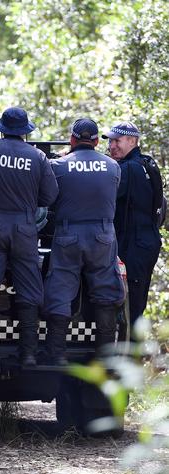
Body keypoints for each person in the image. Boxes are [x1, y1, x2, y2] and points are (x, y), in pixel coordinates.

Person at [0, 107, 59, 367]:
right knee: (29, 287)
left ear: (2, 128)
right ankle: (29, 354)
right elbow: (50, 196)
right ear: (26, 131)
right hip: (24, 226)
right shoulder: (38, 156)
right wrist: (29, 202)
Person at [43, 119, 126, 364]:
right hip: (102, 234)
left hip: (69, 233)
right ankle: (104, 359)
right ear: (97, 141)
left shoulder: (58, 165)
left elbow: (48, 198)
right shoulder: (113, 166)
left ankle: (56, 354)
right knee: (106, 291)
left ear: (72, 140)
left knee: (61, 288)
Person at [103, 122, 162, 327]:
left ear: (132, 141)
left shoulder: (127, 169)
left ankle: (130, 354)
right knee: (137, 302)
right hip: (145, 242)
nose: (112, 146)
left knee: (132, 305)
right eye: (110, 141)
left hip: (135, 246)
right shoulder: (147, 163)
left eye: (117, 141)